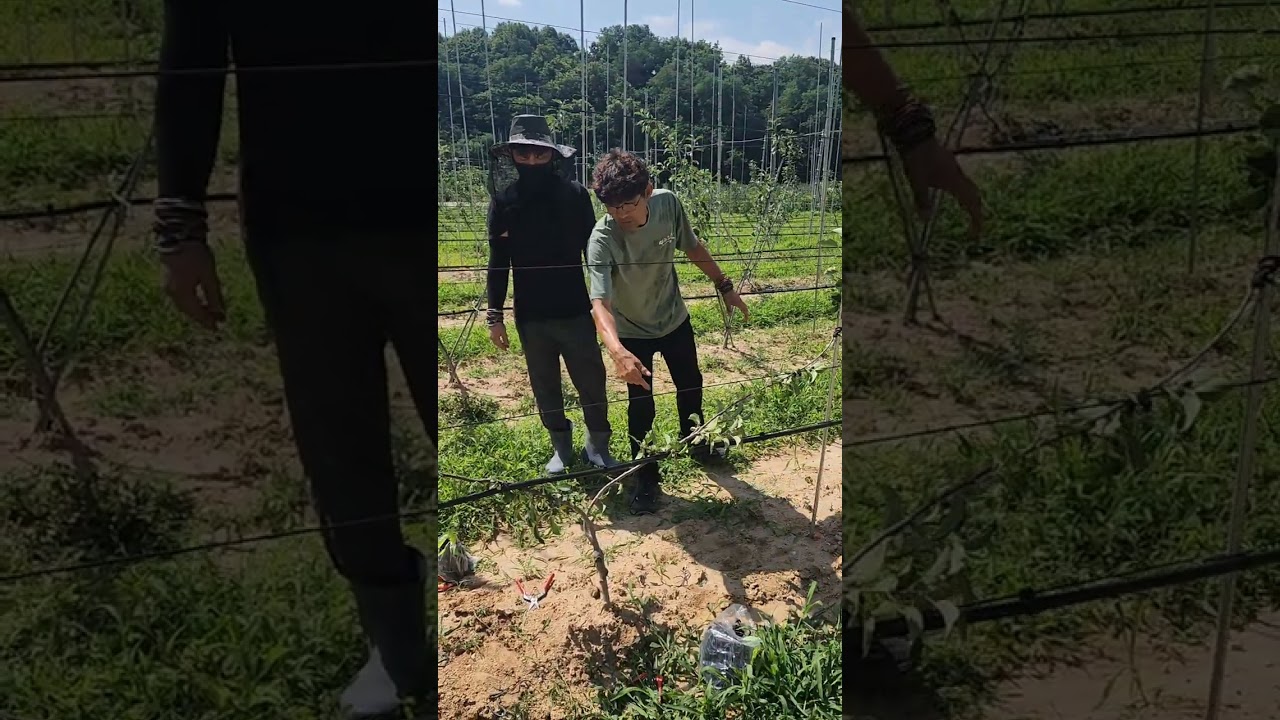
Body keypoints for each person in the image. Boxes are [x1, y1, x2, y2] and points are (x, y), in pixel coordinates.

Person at [150, 3, 433, 718]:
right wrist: (180, 223)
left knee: (452, 414)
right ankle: (398, 653)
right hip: (296, 223)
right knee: (338, 445)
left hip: (421, 207)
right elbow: (190, 57)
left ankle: (488, 593)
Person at [586, 149, 750, 515]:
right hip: (631, 331)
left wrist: (725, 286)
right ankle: (645, 472)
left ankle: (694, 440)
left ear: (648, 190)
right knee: (640, 404)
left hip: (673, 318)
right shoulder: (601, 237)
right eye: (611, 207)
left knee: (691, 383)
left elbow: (692, 247)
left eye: (627, 203)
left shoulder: (668, 205)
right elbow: (600, 304)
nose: (620, 214)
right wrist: (617, 351)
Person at [485, 115, 619, 475]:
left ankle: (598, 443)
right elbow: (498, 262)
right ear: (511, 155)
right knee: (544, 385)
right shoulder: (504, 202)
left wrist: (606, 302)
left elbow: (595, 253)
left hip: (575, 309)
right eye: (523, 155)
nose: (531, 162)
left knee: (592, 379)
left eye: (539, 156)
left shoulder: (575, 196)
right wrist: (494, 315)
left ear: (552, 156)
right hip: (530, 315)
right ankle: (561, 447)